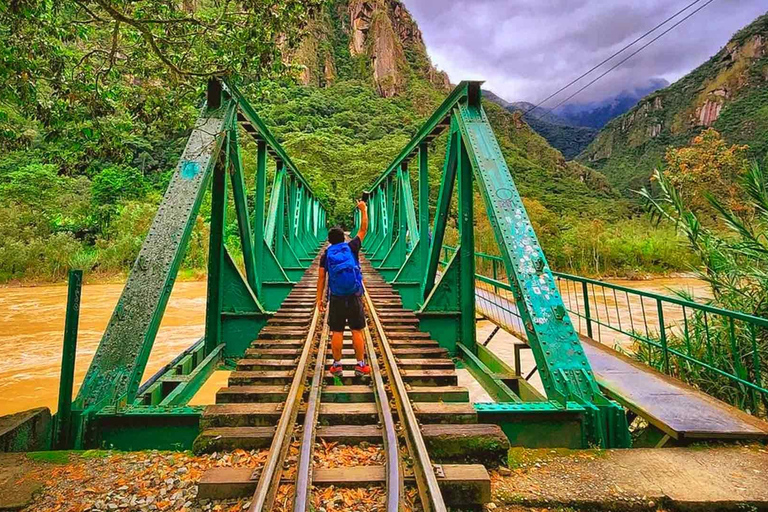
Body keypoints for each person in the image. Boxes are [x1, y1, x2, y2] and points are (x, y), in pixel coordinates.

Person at [316, 200, 370, 376]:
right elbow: (363, 229)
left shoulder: (326, 255)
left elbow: (322, 278)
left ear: (329, 241)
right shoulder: (351, 247)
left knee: (337, 331)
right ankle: (360, 364)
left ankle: (337, 365)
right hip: (354, 294)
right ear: (343, 238)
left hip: (337, 296)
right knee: (357, 330)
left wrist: (319, 299)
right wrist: (363, 209)